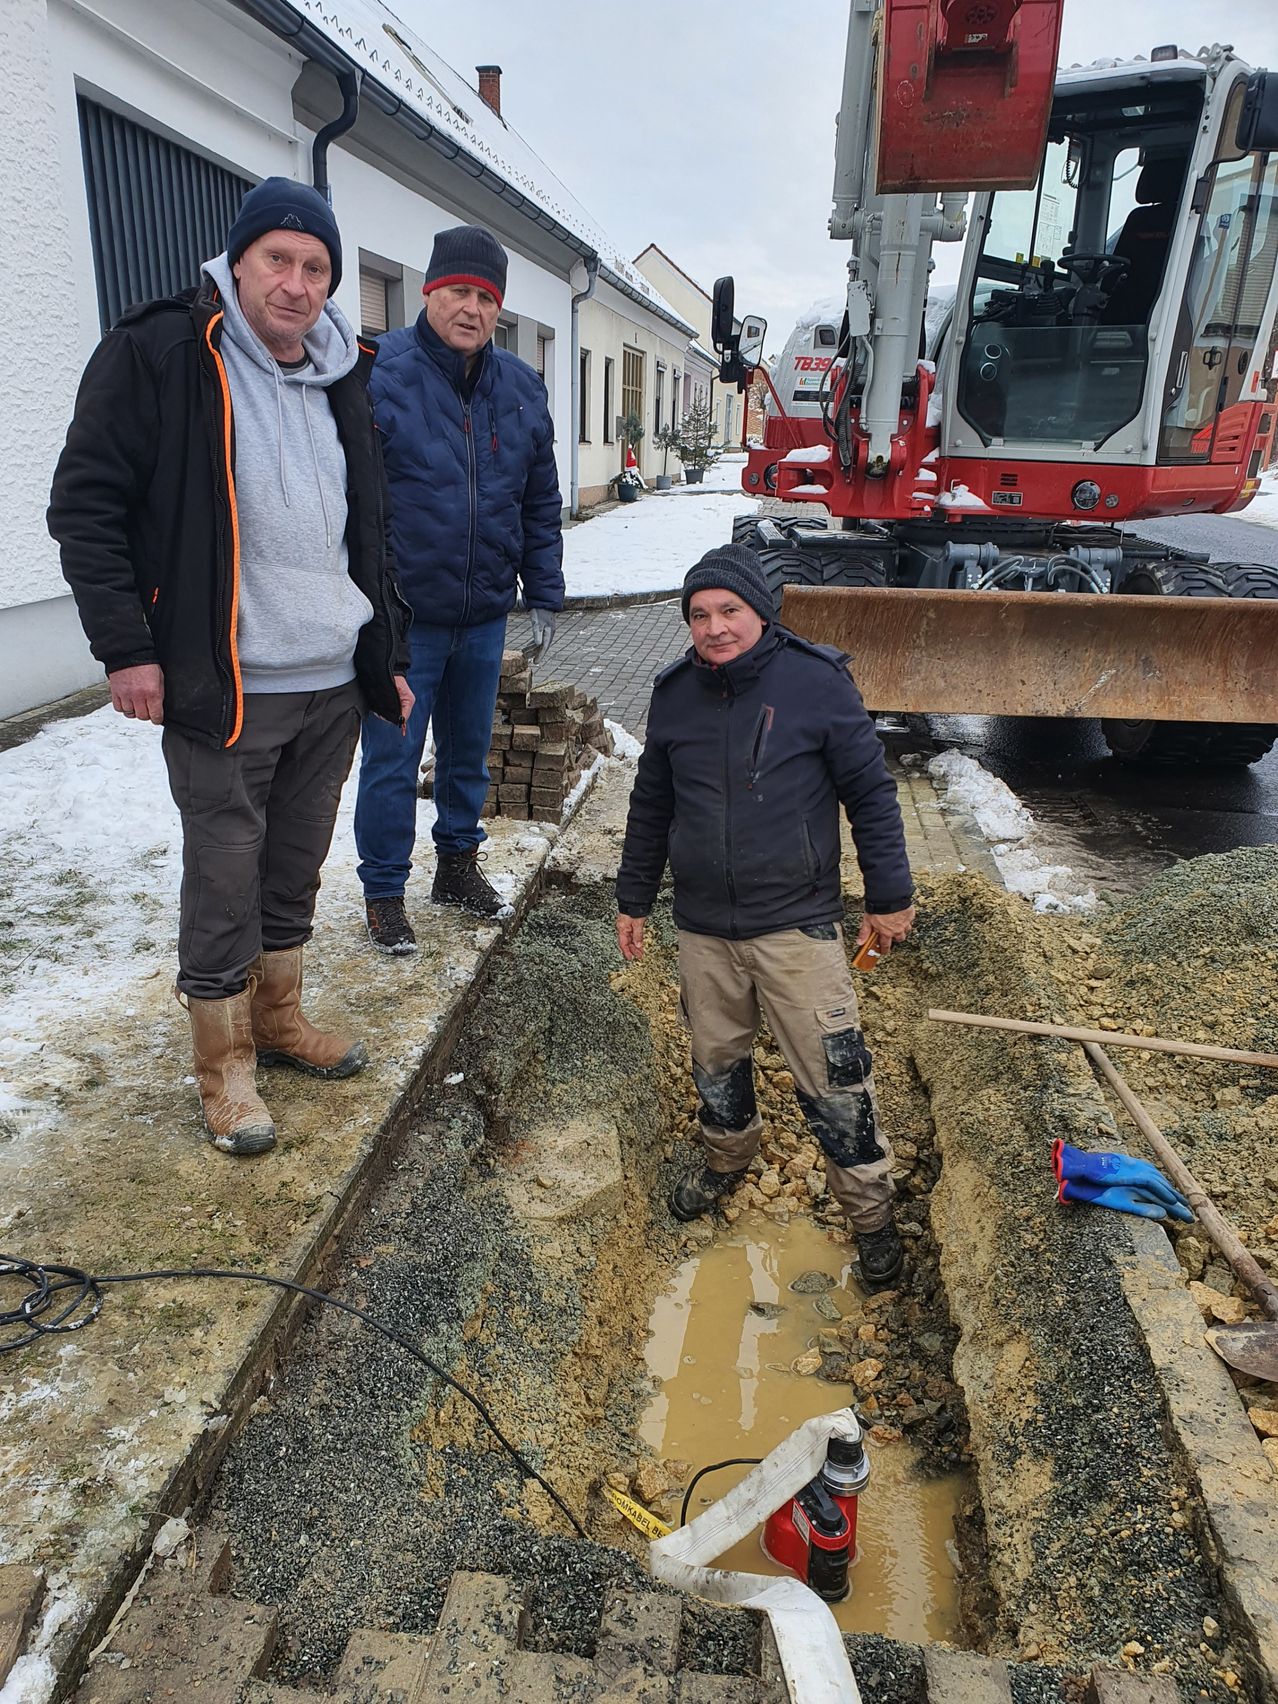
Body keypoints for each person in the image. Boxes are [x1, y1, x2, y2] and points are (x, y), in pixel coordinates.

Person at [48, 177, 413, 1158]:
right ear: (239, 262)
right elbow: (86, 506)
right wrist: (128, 647)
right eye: (278, 261)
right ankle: (224, 1067)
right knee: (224, 874)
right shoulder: (163, 350)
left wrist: (386, 651)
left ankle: (281, 1019)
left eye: (316, 267)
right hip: (227, 683)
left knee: (292, 867)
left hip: (329, 680)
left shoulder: (346, 371)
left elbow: (369, 528)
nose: (296, 284)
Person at [615, 545, 916, 1288]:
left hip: (796, 927)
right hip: (703, 927)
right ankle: (728, 1161)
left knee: (835, 1077)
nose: (715, 628)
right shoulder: (676, 693)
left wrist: (889, 894)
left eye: (729, 612)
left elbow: (871, 794)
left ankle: (872, 1218)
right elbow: (651, 802)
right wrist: (633, 897)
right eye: (699, 615)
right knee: (716, 1062)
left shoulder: (816, 682)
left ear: (760, 612)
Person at [356, 224, 564, 947]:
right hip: (403, 622)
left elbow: (539, 498)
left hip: (483, 613)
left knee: (469, 750)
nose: (471, 308)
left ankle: (456, 866)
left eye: (485, 297)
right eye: (457, 292)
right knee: (391, 760)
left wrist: (543, 588)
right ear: (428, 291)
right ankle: (384, 892)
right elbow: (358, 502)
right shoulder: (381, 371)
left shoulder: (521, 387)